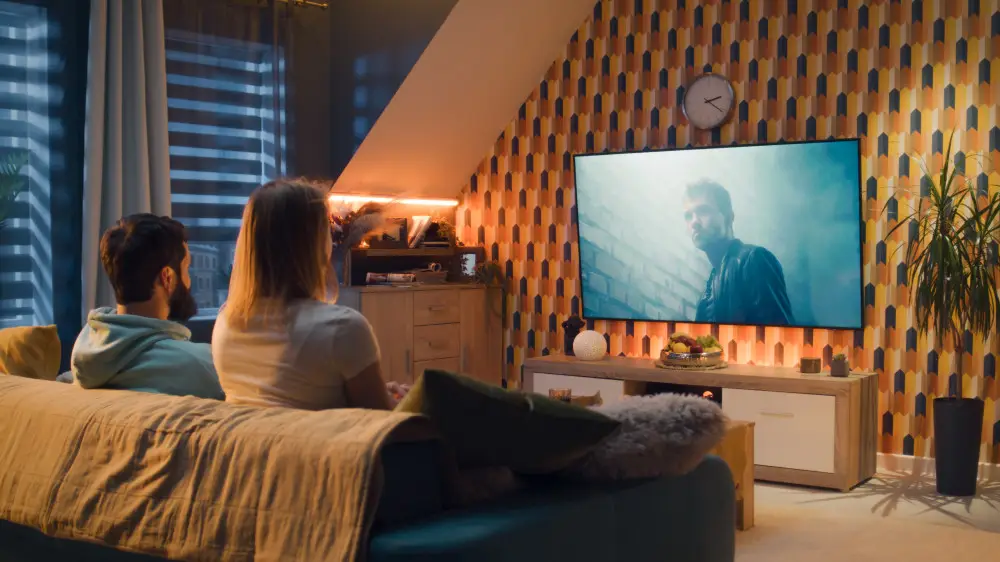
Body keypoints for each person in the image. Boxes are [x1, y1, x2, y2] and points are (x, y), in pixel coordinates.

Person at [212, 179, 397, 411]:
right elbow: (383, 421)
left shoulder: (226, 321)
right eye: (326, 228)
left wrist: (376, 389)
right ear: (314, 243)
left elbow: (283, 396)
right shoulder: (343, 328)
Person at [71, 214, 224, 399]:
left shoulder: (83, 358)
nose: (189, 280)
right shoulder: (201, 366)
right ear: (167, 277)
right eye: (186, 269)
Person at [682, 180, 794, 326]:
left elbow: (778, 332)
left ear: (728, 217)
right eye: (688, 216)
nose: (694, 222)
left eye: (703, 211)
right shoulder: (706, 294)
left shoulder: (753, 260)